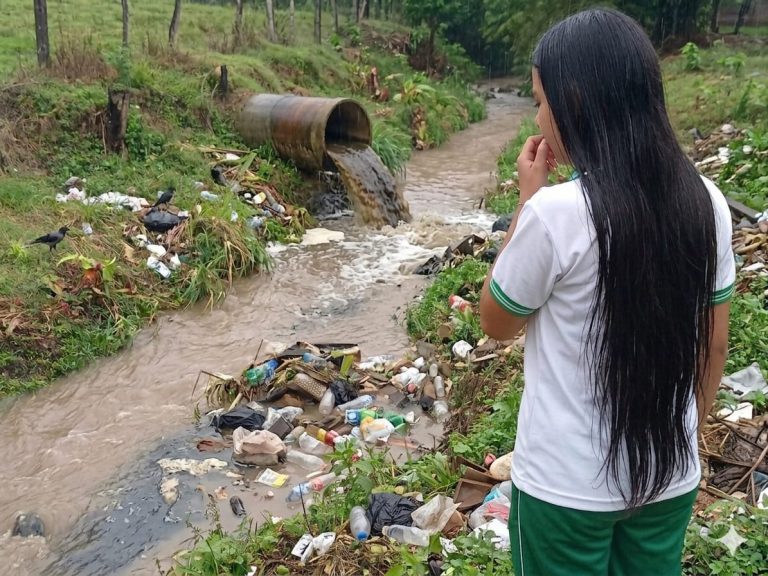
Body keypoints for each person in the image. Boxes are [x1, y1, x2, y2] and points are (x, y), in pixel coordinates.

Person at [479, 9, 734, 576]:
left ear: (576, 101)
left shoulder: (555, 213)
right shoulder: (707, 201)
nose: (539, 116)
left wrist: (526, 198)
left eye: (541, 101)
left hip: (565, 491)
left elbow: (496, 321)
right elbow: (713, 347)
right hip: (668, 476)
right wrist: (688, 432)